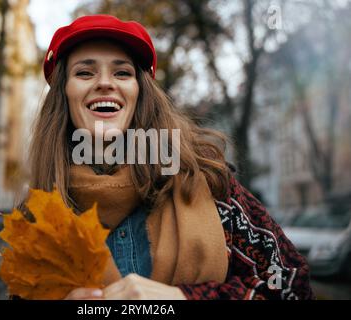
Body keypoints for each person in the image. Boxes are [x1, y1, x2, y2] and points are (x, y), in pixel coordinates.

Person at [27, 14, 314, 300]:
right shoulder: (37, 215)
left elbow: (291, 285)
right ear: (63, 93)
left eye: (122, 73)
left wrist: (181, 298)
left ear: (141, 92)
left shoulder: (208, 184)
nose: (105, 83)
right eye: (85, 73)